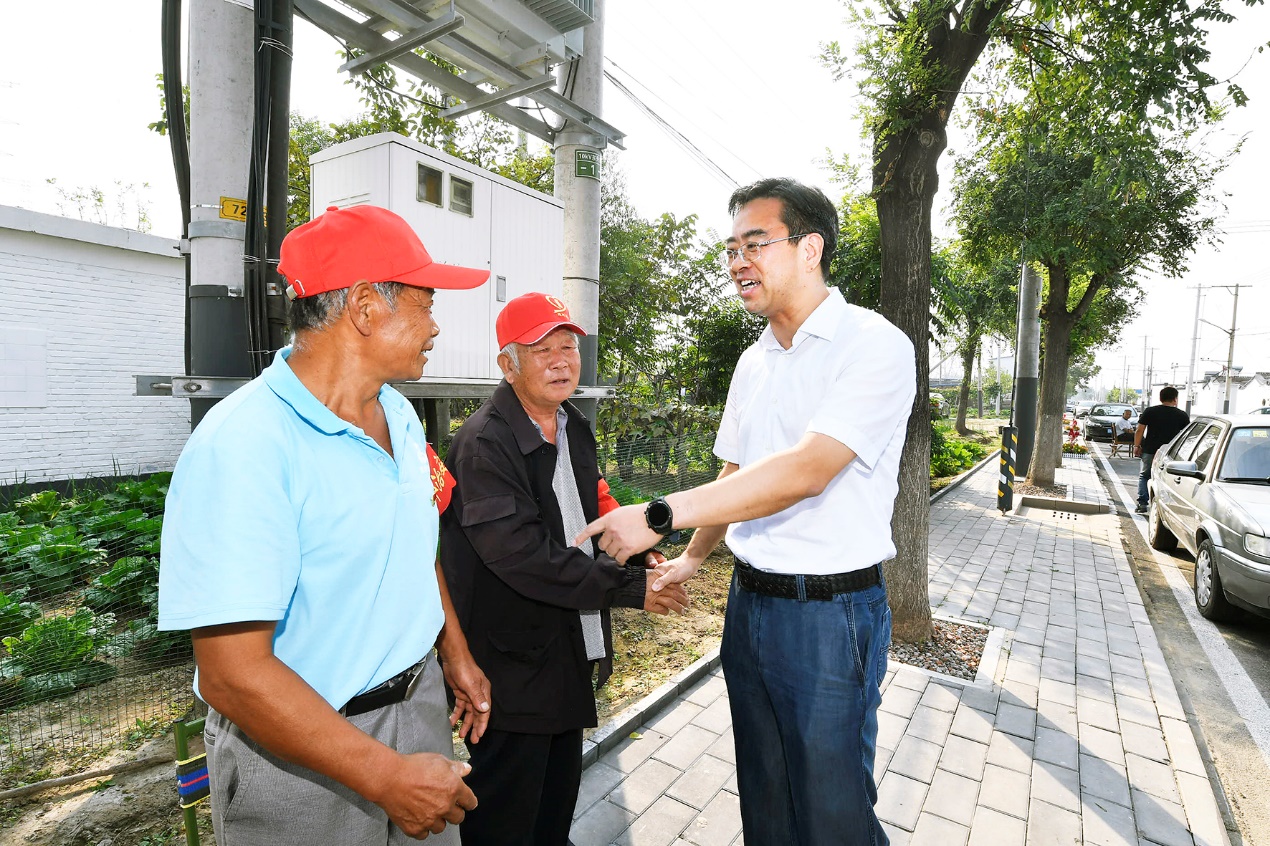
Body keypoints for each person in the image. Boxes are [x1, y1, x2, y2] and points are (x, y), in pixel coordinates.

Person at [577, 178, 916, 846]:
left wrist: (658, 512)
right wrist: (696, 557)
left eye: (754, 244)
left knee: (832, 810)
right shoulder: (754, 361)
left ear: (810, 247)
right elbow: (736, 471)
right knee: (763, 794)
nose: (737, 261)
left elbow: (807, 470)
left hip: (830, 615)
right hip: (750, 607)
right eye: (730, 247)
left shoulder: (872, 344)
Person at [158, 205, 493, 845]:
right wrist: (383, 775)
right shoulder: (245, 444)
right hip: (302, 754)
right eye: (424, 305)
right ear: (366, 306)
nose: (436, 325)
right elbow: (234, 674)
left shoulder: (398, 413)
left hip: (417, 711)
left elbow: (415, 545)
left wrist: (453, 650)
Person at [439, 292, 689, 846]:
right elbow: (524, 558)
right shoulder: (484, 444)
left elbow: (585, 506)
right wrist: (629, 587)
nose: (561, 360)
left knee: (554, 808)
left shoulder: (571, 424)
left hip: (567, 647)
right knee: (507, 818)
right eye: (541, 349)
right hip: (511, 662)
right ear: (507, 365)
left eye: (569, 346)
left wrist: (634, 549)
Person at [1134, 385, 1190, 513]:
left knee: (1145, 475)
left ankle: (1142, 504)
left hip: (1150, 449)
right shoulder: (1182, 415)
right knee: (1169, 478)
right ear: (1175, 399)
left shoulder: (1150, 411)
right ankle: (1167, 505)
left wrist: (1137, 446)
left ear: (1160, 398)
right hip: (1171, 452)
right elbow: (1187, 436)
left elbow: (1139, 430)